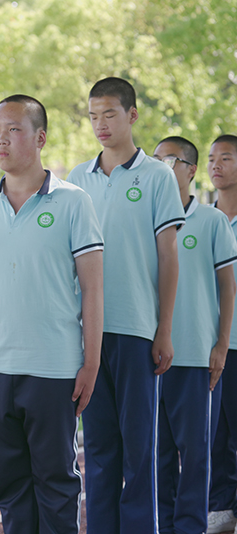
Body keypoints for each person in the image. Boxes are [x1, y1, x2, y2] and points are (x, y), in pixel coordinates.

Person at [0, 94, 103, 534]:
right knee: (11, 488)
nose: (1, 140)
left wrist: (91, 362)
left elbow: (93, 288)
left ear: (40, 138)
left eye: (14, 130)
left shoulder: (74, 202)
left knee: (56, 484)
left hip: (53, 368)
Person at [66, 77, 185, 534]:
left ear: (132, 115)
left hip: (136, 329)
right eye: (93, 116)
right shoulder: (76, 180)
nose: (100, 124)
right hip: (86, 335)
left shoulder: (157, 176)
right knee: (97, 449)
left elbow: (168, 257)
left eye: (110, 114)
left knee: (140, 449)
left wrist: (164, 328)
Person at [152, 136, 237, 534]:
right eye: (157, 160)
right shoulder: (147, 220)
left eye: (170, 160)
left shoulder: (211, 221)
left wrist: (220, 345)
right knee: (157, 452)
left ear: (190, 170)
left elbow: (227, 288)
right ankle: (164, 525)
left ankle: (191, 525)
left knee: (197, 451)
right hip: (151, 356)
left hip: (196, 356)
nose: (162, 167)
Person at [208, 134, 237, 534]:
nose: (216, 164)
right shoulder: (200, 219)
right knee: (214, 433)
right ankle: (220, 506)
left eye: (226, 157)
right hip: (211, 343)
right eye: (212, 158)